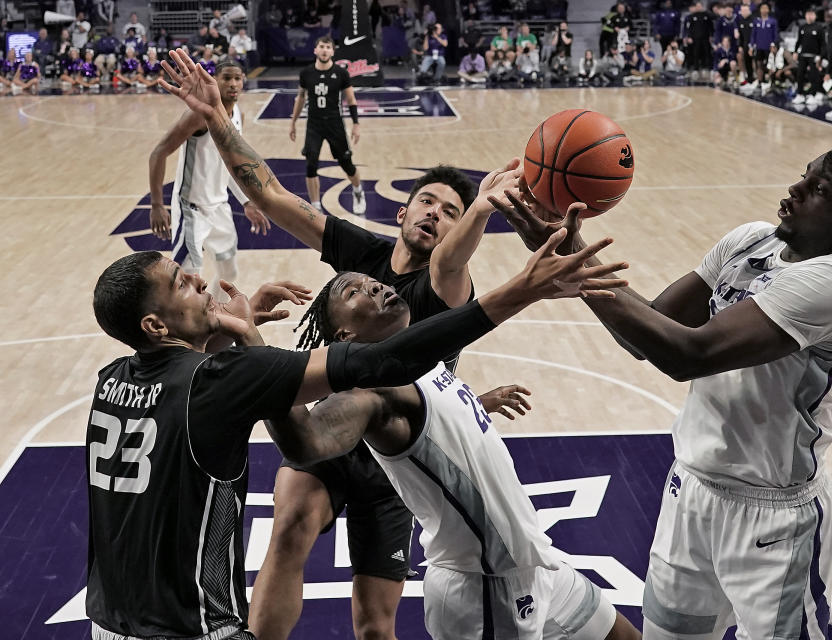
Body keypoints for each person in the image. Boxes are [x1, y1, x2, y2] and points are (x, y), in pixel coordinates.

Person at [85, 216, 624, 640]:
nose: (201, 278)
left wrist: (236, 335)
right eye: (183, 283)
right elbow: (372, 371)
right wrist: (521, 289)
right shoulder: (228, 378)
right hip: (192, 627)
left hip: (111, 619)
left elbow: (189, 379)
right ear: (155, 324)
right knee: (297, 534)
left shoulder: (113, 378)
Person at [160, 46, 544, 640]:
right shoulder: (361, 253)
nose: (437, 215)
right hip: (330, 433)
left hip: (399, 460)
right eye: (428, 202)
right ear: (404, 209)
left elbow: (454, 255)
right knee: (288, 534)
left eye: (451, 211)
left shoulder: (444, 281)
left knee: (373, 624)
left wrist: (483, 209)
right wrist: (215, 119)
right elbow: (270, 197)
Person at [494, 143, 832, 640]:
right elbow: (647, 333)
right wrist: (566, 251)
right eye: (804, 177)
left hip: (775, 520)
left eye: (818, 190)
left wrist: (573, 263)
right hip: (691, 492)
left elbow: (689, 355)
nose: (795, 190)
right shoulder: (749, 241)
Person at [267, 269, 644, 640]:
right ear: (345, 335)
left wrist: (482, 402)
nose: (375, 286)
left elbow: (441, 429)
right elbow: (306, 441)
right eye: (354, 292)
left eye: (372, 281)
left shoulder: (423, 358)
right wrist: (256, 361)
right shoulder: (374, 392)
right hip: (486, 590)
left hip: (538, 565)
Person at [148, 59, 269, 302]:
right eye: (227, 78)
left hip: (219, 207)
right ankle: (186, 330)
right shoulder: (198, 115)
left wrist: (246, 202)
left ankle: (213, 319)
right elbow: (158, 153)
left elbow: (232, 164)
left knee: (229, 273)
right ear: (214, 80)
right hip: (191, 208)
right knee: (188, 281)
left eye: (238, 78)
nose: (233, 83)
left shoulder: (237, 116)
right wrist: (157, 205)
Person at [290, 36, 366, 215]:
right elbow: (301, 97)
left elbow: (351, 99)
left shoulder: (341, 73)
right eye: (321, 46)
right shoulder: (306, 73)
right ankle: (315, 207)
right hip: (314, 124)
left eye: (328, 47)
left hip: (335, 124)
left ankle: (358, 192)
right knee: (310, 165)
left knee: (346, 163)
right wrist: (293, 122)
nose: (324, 50)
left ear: (333, 51)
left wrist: (356, 124)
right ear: (315, 50)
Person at [793, 9, 827, 105]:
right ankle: (800, 94)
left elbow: (823, 44)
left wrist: (820, 56)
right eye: (808, 14)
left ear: (815, 16)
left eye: (812, 15)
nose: (810, 16)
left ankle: (813, 94)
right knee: (800, 75)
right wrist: (795, 52)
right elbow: (798, 41)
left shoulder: (819, 28)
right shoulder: (802, 27)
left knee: (813, 75)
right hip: (803, 55)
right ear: (805, 16)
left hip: (814, 56)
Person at [749, 2, 778, 90]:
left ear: (768, 10)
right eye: (762, 8)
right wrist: (751, 46)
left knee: (770, 65)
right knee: (759, 64)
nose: (764, 10)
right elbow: (753, 34)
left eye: (766, 8)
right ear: (760, 10)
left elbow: (775, 34)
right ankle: (760, 81)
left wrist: (773, 44)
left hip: (769, 47)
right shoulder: (756, 21)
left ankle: (770, 81)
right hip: (759, 46)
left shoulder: (773, 21)